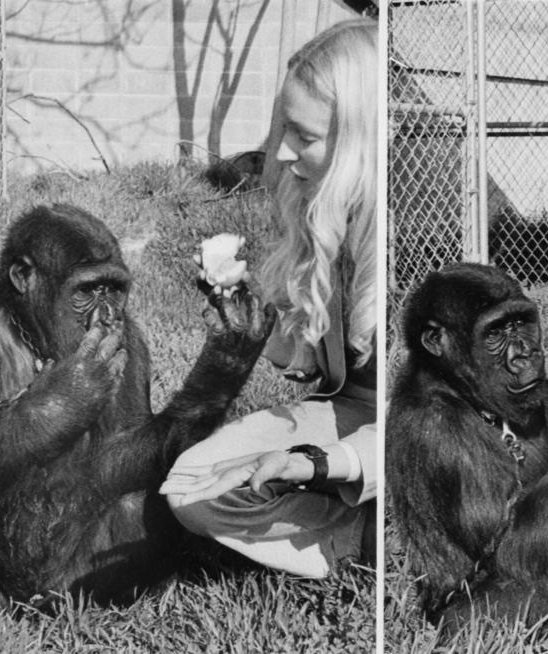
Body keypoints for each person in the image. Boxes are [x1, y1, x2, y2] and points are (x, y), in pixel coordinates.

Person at [158, 17, 377, 578]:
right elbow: (305, 363)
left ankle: (373, 538)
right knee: (187, 486)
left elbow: (430, 423)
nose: (279, 152)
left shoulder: (401, 239)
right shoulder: (324, 212)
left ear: (360, 139)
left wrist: (319, 464)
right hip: (351, 414)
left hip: (413, 440)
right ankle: (362, 531)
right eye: (284, 129)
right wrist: (244, 309)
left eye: (302, 136)